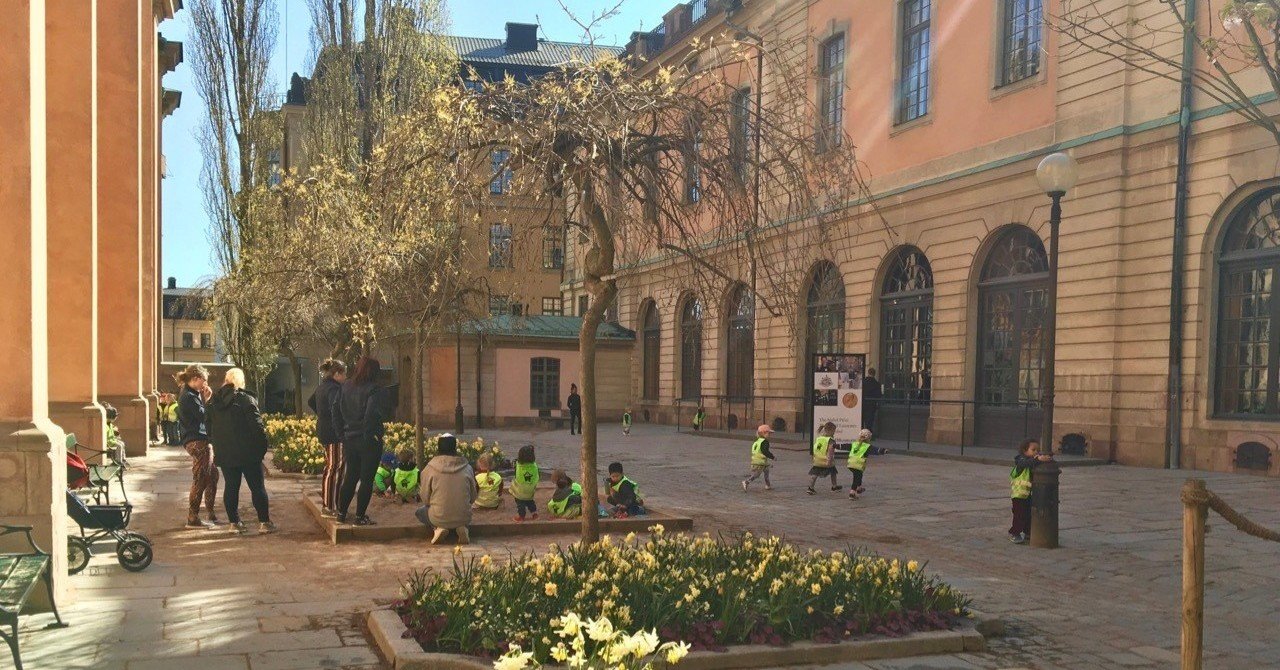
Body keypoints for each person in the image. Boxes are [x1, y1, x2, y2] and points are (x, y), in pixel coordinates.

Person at [207, 367, 276, 535]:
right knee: (257, 487)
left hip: (226, 452)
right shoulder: (246, 399)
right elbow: (257, 427)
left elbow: (209, 428)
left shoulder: (214, 402)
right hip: (248, 452)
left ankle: (234, 523)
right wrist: (261, 448)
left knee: (231, 486)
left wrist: (217, 445)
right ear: (241, 381)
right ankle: (264, 522)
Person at [335, 356, 390, 526]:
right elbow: (371, 414)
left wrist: (341, 434)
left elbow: (335, 410)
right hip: (368, 440)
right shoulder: (374, 389)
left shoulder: (345, 386)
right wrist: (371, 435)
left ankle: (341, 513)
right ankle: (359, 516)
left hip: (350, 437)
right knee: (366, 479)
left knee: (350, 476)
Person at [176, 364, 219, 528]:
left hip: (199, 439)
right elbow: (204, 416)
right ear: (196, 378)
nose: (206, 384)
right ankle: (192, 516)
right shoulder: (189, 396)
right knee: (200, 477)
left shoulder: (192, 394)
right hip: (197, 441)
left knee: (212, 474)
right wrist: (207, 400)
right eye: (204, 380)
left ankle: (210, 512)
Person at [416, 434, 478, 544]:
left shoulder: (429, 469)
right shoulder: (467, 468)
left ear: (438, 447)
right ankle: (463, 528)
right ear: (455, 447)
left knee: (420, 512)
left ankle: (438, 528)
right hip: (464, 517)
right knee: (463, 511)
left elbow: (425, 499)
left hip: (438, 517)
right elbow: (473, 497)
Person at [309, 359, 347, 518]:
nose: (345, 377)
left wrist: (321, 415)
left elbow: (311, 401)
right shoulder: (334, 389)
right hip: (334, 433)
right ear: (337, 374)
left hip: (324, 430)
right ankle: (330, 505)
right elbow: (336, 409)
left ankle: (330, 503)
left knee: (331, 467)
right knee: (335, 469)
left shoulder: (322, 387)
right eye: (344, 374)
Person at [1010, 439, 1050, 544]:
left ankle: (1028, 532)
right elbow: (1025, 463)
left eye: (1038, 450)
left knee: (1028, 514)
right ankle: (1015, 533)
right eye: (1033, 450)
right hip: (1018, 495)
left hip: (1028, 495)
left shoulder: (1032, 461)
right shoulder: (1020, 460)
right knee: (1019, 515)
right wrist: (1038, 459)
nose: (1036, 452)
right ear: (1025, 451)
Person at [846, 429, 887, 500]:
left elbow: (844, 446)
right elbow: (876, 450)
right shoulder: (867, 446)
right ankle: (852, 493)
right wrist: (883, 451)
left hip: (850, 464)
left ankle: (859, 488)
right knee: (856, 478)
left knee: (859, 475)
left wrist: (835, 446)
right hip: (858, 465)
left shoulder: (854, 444)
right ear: (869, 438)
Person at [807, 422, 841, 495]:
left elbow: (815, 449)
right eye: (834, 431)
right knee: (833, 472)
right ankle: (834, 487)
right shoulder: (830, 440)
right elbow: (830, 451)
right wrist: (829, 460)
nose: (834, 433)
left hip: (817, 460)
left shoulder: (819, 438)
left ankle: (810, 488)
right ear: (831, 430)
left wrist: (814, 458)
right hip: (826, 460)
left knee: (815, 474)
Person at [742, 424, 776, 491]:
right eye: (768, 433)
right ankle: (746, 482)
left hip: (757, 460)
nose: (769, 435)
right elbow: (765, 451)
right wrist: (772, 457)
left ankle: (768, 485)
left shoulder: (757, 441)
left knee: (766, 472)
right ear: (763, 433)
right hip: (760, 461)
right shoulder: (765, 442)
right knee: (757, 475)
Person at [511, 445, 539, 521]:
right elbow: (537, 477)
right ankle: (534, 514)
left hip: (520, 490)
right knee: (530, 501)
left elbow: (516, 476)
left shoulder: (518, 465)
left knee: (520, 503)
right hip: (530, 489)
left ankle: (521, 516)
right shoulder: (534, 466)